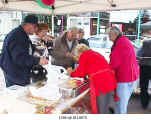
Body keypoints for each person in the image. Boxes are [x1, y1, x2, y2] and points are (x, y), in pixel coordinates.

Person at [0, 15, 48, 87]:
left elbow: (26, 49)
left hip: (17, 71)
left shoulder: (21, 34)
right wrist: (37, 60)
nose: (36, 30)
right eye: (35, 27)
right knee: (18, 95)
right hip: (15, 73)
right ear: (28, 25)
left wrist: (36, 49)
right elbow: (19, 57)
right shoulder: (17, 36)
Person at [67, 44, 117, 114]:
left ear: (79, 52)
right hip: (110, 79)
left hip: (101, 82)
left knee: (101, 106)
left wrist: (71, 73)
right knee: (106, 104)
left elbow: (80, 73)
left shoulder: (84, 55)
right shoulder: (95, 53)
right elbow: (91, 68)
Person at [108, 26, 139, 114]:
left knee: (120, 106)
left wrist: (106, 69)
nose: (109, 38)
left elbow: (114, 63)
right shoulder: (124, 40)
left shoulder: (120, 43)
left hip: (124, 78)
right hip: (131, 76)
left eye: (109, 35)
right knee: (123, 105)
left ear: (114, 34)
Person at [137, 35, 151, 109]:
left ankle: (144, 104)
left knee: (143, 86)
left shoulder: (145, 43)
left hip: (144, 67)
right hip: (145, 67)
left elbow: (138, 55)